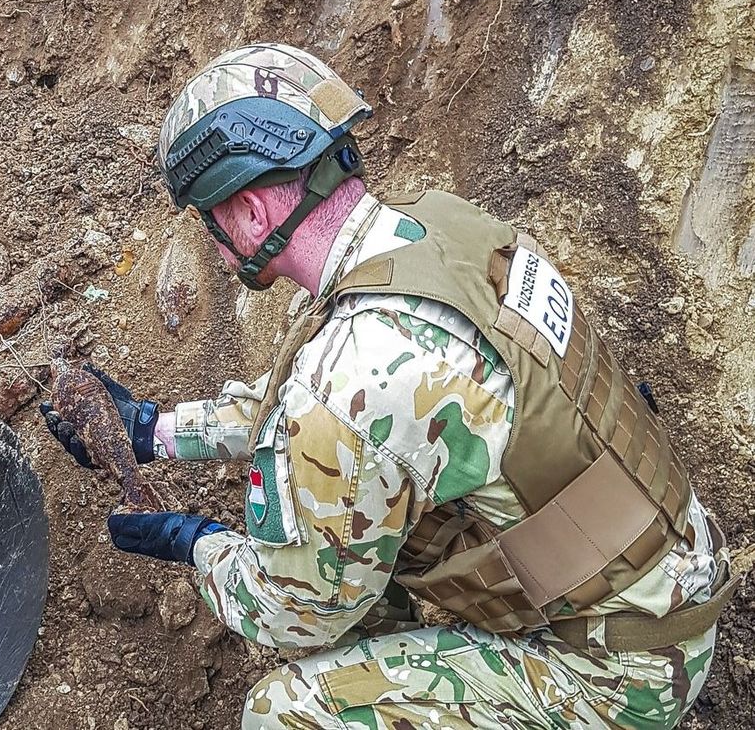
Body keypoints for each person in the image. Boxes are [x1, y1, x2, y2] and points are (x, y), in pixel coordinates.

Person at [40, 43, 739, 729]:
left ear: (251, 214)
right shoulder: (439, 235)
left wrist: (194, 544)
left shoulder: (356, 373)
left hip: (621, 675)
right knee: (370, 540)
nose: (215, 246)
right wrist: (156, 432)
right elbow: (333, 405)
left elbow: (293, 610)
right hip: (658, 573)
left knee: (282, 713)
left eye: (211, 220)